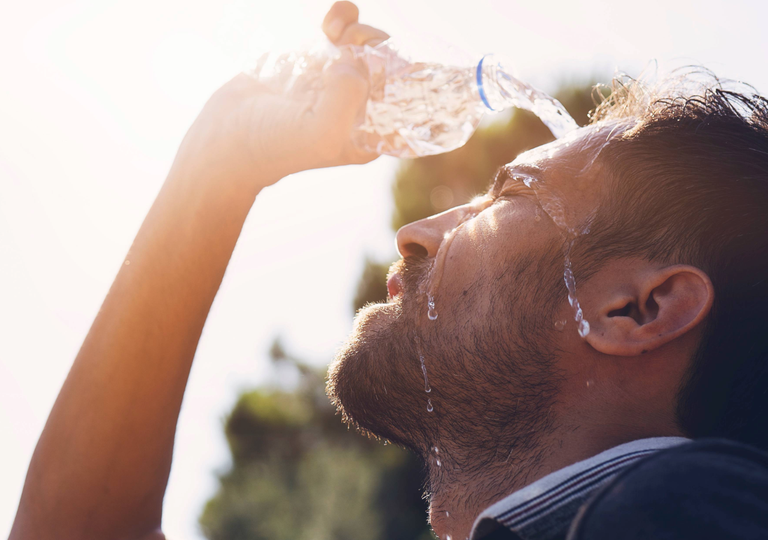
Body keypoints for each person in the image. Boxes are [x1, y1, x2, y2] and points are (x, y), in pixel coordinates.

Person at [11, 2, 768, 540]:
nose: (411, 234)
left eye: (508, 194)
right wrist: (215, 169)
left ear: (636, 310)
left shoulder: (683, 506)